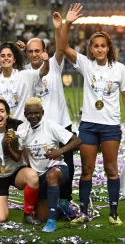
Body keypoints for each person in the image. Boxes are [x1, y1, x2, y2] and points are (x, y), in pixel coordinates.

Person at [59, 4, 125, 225]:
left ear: (108, 47)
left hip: (110, 126)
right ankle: (84, 213)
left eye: (103, 46)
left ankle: (113, 213)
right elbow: (63, 47)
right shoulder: (85, 64)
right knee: (87, 171)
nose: (100, 49)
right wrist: (68, 23)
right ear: (90, 49)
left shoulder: (119, 69)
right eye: (96, 46)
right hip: (89, 126)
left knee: (111, 170)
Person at [24, 13, 75, 215]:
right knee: (43, 166)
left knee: (66, 166)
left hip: (61, 124)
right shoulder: (25, 72)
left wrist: (58, 27)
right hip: (40, 130)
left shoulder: (54, 63)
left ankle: (65, 201)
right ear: (27, 53)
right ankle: (44, 200)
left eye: (38, 50)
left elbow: (61, 47)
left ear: (45, 51)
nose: (35, 54)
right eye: (31, 51)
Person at [13, 97, 81, 232]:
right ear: (25, 114)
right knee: (41, 215)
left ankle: (52, 222)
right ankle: (60, 210)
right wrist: (11, 142)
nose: (33, 116)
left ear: (42, 112)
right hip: (39, 176)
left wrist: (59, 151)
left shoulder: (51, 126)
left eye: (36, 113)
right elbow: (17, 156)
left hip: (58, 169)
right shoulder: (21, 129)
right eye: (30, 114)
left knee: (52, 175)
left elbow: (77, 141)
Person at [0, 42, 50, 121]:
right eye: (3, 56)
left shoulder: (25, 75)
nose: (6, 58)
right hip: (0, 129)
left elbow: (43, 72)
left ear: (14, 59)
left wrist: (46, 62)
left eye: (9, 55)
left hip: (22, 129)